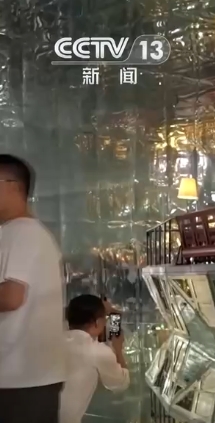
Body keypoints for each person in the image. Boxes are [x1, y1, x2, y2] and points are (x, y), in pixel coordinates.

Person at [0, 154, 67, 423]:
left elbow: (11, 297)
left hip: (21, 381)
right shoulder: (14, 232)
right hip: (20, 379)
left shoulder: (24, 233)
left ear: (13, 186)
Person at [60, 295, 130, 423]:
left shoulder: (55, 341)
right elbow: (120, 383)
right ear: (98, 323)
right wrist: (118, 350)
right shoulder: (98, 352)